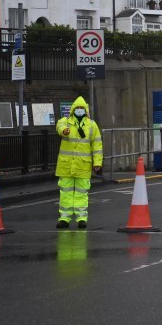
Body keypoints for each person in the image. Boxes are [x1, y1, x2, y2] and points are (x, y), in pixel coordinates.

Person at [55, 96, 103, 229]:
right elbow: (59, 125)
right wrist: (64, 131)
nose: (80, 110)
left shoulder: (92, 125)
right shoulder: (66, 122)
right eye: (77, 108)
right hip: (67, 166)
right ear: (72, 110)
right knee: (66, 192)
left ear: (86, 110)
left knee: (82, 193)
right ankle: (64, 218)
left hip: (83, 165)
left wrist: (97, 162)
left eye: (82, 108)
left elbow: (97, 145)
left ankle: (81, 218)